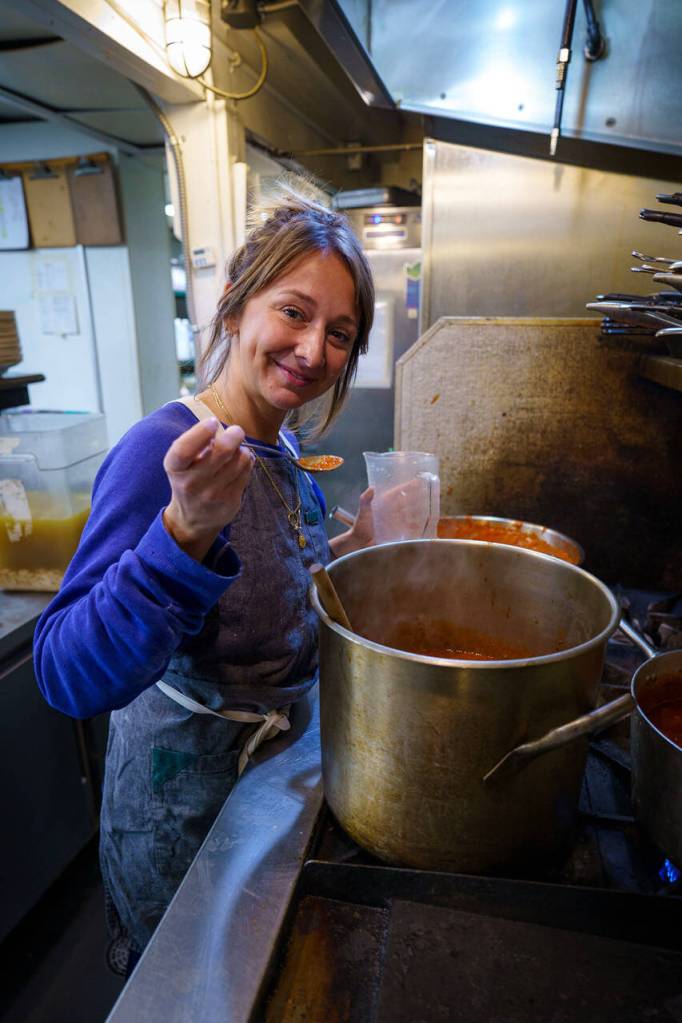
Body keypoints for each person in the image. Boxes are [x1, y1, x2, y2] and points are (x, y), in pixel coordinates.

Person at [33, 186, 376, 974]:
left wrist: (359, 551)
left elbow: (276, 587)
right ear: (234, 306)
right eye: (293, 312)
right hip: (182, 822)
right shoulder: (160, 449)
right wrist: (182, 533)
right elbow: (63, 673)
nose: (313, 350)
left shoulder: (284, 449)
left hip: (263, 801)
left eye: (339, 333)